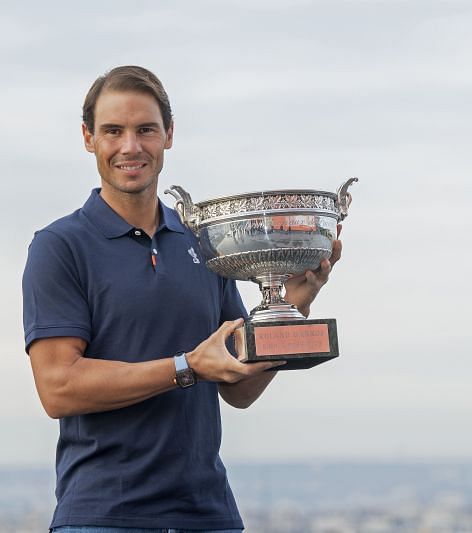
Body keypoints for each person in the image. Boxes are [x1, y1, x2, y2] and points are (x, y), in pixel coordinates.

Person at [22, 65, 341, 532]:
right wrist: (186, 366)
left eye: (145, 129)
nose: (130, 146)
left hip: (208, 513)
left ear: (168, 135)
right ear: (88, 138)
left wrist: (294, 305)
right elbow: (58, 387)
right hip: (105, 516)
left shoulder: (203, 241)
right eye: (113, 131)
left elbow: (239, 387)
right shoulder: (60, 246)